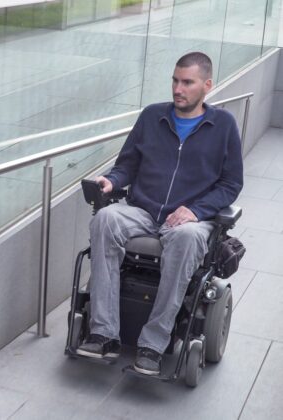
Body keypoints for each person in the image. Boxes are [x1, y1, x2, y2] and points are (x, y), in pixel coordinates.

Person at [75, 52, 243, 375]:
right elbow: (127, 165)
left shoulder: (223, 126)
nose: (178, 89)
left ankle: (153, 345)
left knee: (188, 239)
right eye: (175, 81)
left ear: (207, 85)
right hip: (143, 209)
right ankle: (103, 333)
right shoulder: (152, 117)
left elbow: (231, 183)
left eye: (187, 82)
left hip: (188, 221)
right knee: (105, 220)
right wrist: (111, 181)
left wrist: (196, 210)